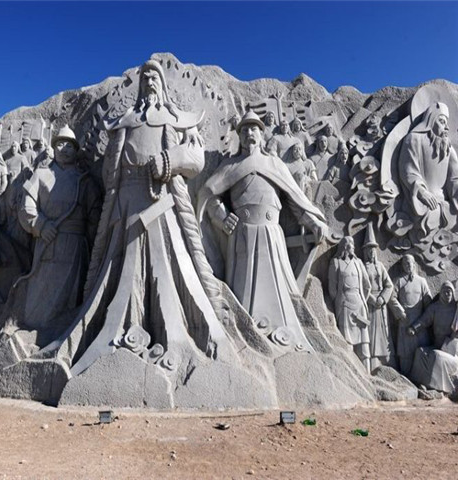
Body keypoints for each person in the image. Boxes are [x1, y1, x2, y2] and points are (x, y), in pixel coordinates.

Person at [42, 61, 277, 383]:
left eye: (155, 76)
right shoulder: (124, 121)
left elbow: (195, 159)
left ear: (163, 84)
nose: (150, 80)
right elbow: (110, 170)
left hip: (163, 206)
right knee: (120, 276)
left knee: (170, 272)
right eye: (145, 77)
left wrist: (168, 161)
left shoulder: (176, 119)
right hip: (126, 208)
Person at [198, 111, 328, 350]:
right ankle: (244, 338)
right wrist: (222, 217)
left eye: (254, 129)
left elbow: (295, 200)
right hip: (243, 236)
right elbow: (208, 194)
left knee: (279, 293)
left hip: (271, 235)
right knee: (243, 292)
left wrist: (313, 222)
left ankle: (285, 338)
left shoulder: (274, 164)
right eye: (245, 130)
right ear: (239, 136)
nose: (250, 133)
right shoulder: (231, 165)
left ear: (261, 133)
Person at [18, 125, 101, 330]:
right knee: (38, 300)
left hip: (75, 249)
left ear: (76, 150)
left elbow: (95, 215)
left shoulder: (84, 180)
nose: (64, 149)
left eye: (69, 145)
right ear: (53, 148)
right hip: (47, 243)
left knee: (68, 302)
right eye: (60, 144)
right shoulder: (40, 174)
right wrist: (40, 225)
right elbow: (26, 207)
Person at [398, 102, 458, 238]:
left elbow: (454, 179)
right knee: (424, 217)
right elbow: (408, 171)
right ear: (431, 120)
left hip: (444, 205)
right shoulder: (414, 139)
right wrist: (422, 192)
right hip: (422, 202)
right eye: (442, 121)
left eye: (446, 123)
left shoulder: (448, 148)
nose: (446, 127)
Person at [329, 236, 372, 373]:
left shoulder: (358, 263)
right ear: (344, 247)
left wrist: (362, 300)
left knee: (364, 344)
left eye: (353, 245)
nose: (352, 247)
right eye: (349, 245)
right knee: (347, 343)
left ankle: (367, 375)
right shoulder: (336, 263)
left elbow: (367, 286)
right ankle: (350, 374)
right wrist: (340, 301)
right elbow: (332, 288)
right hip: (345, 305)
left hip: (359, 305)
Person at [408, 281, 458, 393]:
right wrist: (414, 328)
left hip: (453, 351)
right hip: (437, 345)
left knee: (437, 356)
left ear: (453, 293)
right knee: (420, 352)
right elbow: (423, 320)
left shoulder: (456, 310)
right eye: (445, 292)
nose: (447, 294)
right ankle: (417, 382)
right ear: (440, 293)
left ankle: (435, 388)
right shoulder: (435, 308)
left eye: (449, 291)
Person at [388, 254, 432, 374]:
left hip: (419, 320)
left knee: (421, 349)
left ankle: (420, 376)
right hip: (405, 319)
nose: (407, 265)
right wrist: (400, 313)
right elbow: (391, 298)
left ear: (414, 264)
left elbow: (428, 301)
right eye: (404, 263)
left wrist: (428, 318)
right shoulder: (398, 280)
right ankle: (405, 376)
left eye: (409, 263)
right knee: (405, 352)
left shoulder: (422, 281)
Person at [362, 225, 395, 370]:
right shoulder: (363, 267)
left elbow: (389, 285)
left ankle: (386, 360)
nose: (371, 252)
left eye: (373, 250)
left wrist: (382, 298)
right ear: (365, 251)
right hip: (370, 303)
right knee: (371, 331)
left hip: (381, 303)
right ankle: (374, 361)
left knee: (384, 332)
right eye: (369, 250)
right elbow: (361, 286)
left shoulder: (380, 266)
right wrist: (371, 298)